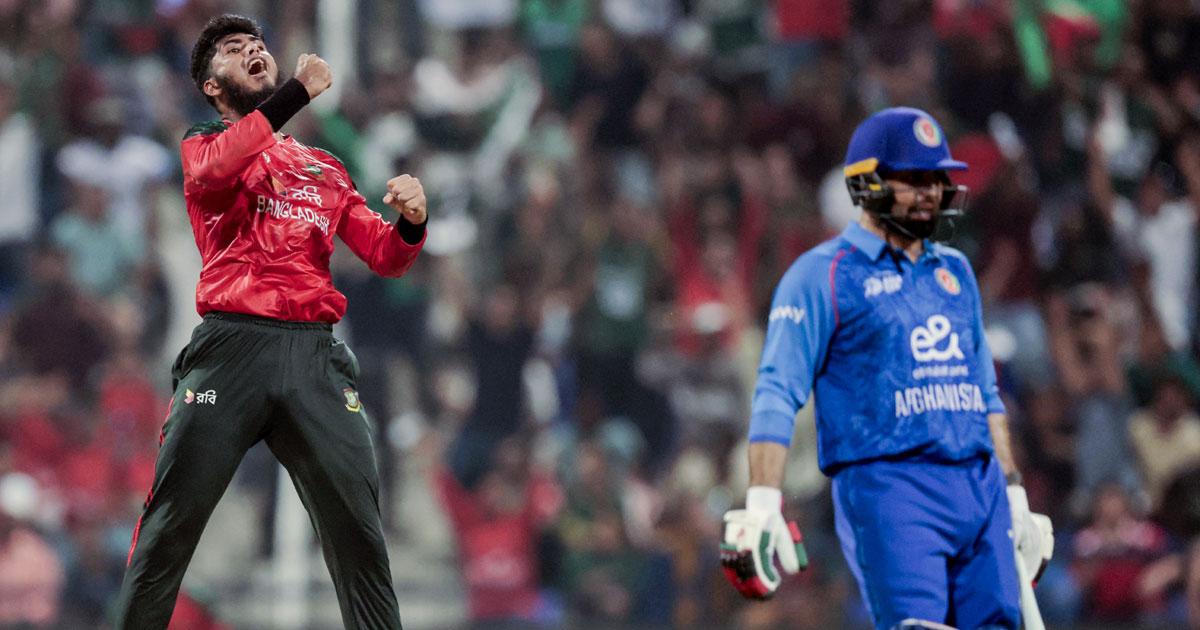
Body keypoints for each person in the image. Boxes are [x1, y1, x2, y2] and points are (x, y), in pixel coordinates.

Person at [114, 15, 427, 629]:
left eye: (257, 44)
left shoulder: (325, 168)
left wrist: (413, 222)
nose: (252, 49)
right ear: (212, 85)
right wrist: (298, 93)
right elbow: (215, 170)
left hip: (314, 357)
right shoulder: (204, 142)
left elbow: (384, 256)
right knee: (169, 528)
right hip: (230, 351)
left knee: (361, 539)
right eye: (234, 49)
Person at [720, 107, 1054, 630]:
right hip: (891, 488)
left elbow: (984, 393)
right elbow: (777, 390)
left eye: (937, 180)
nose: (931, 193)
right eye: (914, 180)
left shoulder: (956, 271)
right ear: (866, 184)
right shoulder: (821, 275)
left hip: (980, 486)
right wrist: (762, 499)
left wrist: (1013, 492)